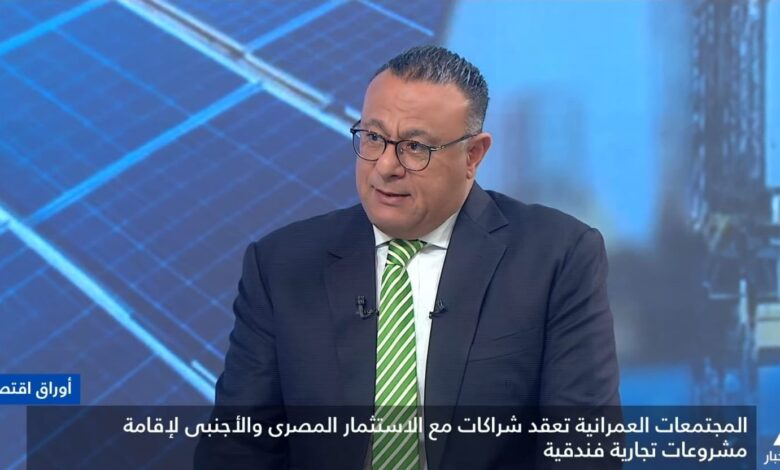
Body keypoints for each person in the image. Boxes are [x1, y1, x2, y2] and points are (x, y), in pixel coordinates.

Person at [195, 45, 620, 470]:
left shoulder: (556, 257)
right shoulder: (282, 265)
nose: (385, 166)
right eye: (373, 138)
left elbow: (584, 449)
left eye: (415, 147)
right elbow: (237, 448)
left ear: (473, 155)